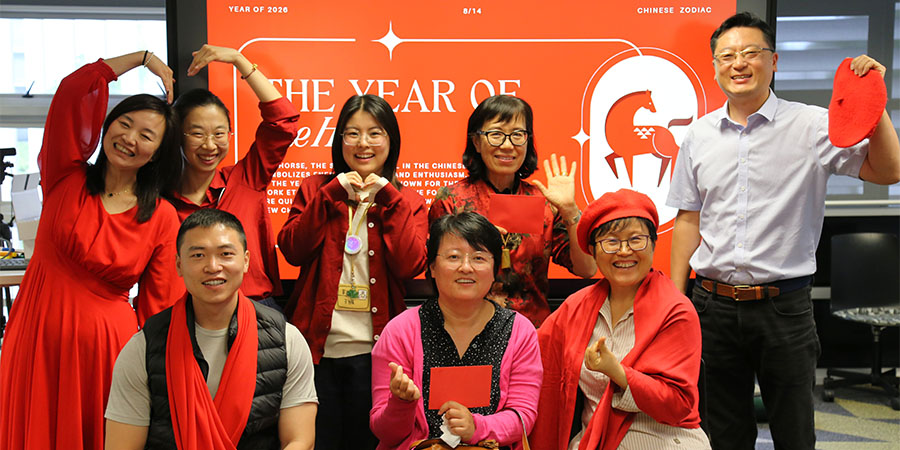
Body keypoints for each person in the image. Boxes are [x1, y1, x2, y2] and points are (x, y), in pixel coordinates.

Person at [666, 12, 900, 450]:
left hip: (784, 308)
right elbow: (688, 219)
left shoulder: (812, 125)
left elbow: (888, 170)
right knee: (724, 432)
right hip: (711, 307)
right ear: (715, 66)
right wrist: (677, 303)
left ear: (774, 63)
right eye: (727, 55)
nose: (738, 63)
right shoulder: (698, 136)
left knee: (794, 432)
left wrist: (874, 103)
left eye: (751, 53)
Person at [0, 51, 183, 449]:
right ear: (108, 125)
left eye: (146, 135)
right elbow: (71, 91)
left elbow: (161, 306)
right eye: (125, 123)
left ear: (156, 153)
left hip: (106, 351)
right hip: (35, 336)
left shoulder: (163, 217)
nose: (130, 138)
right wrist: (143, 59)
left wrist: (157, 378)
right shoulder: (64, 174)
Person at [278, 94, 428, 449]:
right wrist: (331, 194)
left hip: (377, 354)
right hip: (316, 349)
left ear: (391, 141)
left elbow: (410, 265)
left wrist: (389, 200)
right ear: (339, 140)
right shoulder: (316, 188)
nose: (363, 143)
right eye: (352, 133)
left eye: (375, 133)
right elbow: (293, 249)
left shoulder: (408, 200)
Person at [104, 209, 318, 450]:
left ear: (246, 260)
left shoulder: (286, 340)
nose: (213, 266)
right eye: (198, 255)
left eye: (226, 254)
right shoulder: (143, 347)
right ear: (178, 265)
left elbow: (299, 440)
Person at [531, 189, 709, 450]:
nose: (624, 251)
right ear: (592, 250)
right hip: (595, 440)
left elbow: (678, 404)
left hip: (665, 440)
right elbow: (532, 354)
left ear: (653, 244)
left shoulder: (676, 310)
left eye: (636, 240)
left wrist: (619, 373)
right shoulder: (576, 306)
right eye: (611, 242)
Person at [370, 212, 542, 450]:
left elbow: (523, 416)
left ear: (495, 268)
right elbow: (384, 432)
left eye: (479, 258)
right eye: (453, 257)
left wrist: (476, 427)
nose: (466, 267)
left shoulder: (519, 331)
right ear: (432, 267)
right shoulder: (400, 331)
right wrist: (401, 403)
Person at [428, 95, 596, 327]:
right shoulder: (452, 200)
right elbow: (437, 272)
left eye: (517, 135)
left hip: (532, 332)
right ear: (476, 142)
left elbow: (587, 269)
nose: (507, 145)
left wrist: (570, 212)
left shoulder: (544, 202)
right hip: (466, 328)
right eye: (496, 134)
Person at [169, 44, 299, 308]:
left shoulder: (247, 178)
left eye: (219, 133)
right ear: (177, 136)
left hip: (256, 311)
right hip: (189, 313)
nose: (209, 145)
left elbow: (283, 120)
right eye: (197, 133)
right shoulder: (161, 199)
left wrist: (239, 60)